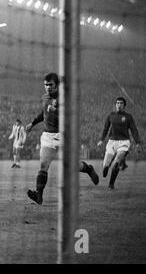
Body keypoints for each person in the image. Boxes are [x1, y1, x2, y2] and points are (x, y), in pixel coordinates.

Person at [25, 72, 99, 205]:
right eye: (45, 85)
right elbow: (44, 113)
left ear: (57, 85)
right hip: (48, 137)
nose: (48, 87)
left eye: (51, 84)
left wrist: (58, 110)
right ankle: (39, 195)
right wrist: (32, 123)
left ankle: (88, 169)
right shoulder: (44, 97)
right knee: (43, 166)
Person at [97, 97, 142, 189]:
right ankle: (105, 167)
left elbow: (134, 129)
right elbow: (105, 128)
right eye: (117, 103)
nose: (119, 105)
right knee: (106, 164)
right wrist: (101, 139)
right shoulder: (110, 116)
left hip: (123, 143)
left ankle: (111, 184)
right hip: (111, 142)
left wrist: (137, 142)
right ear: (115, 105)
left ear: (124, 106)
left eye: (121, 103)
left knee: (116, 163)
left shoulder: (128, 117)